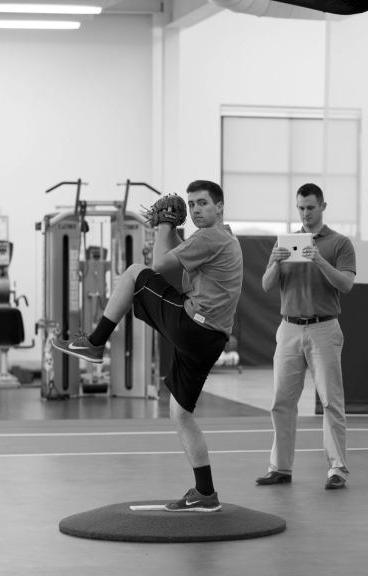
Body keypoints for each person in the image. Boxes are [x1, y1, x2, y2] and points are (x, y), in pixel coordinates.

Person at [52, 180, 242, 512]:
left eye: (203, 203)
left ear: (220, 207)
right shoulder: (217, 239)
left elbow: (157, 266)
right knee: (180, 413)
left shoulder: (210, 237)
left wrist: (165, 223)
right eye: (192, 204)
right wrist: (167, 228)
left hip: (194, 329)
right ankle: (206, 493)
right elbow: (172, 259)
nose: (196, 209)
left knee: (135, 272)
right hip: (210, 339)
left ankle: (95, 343)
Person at [257, 183, 356, 490]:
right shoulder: (286, 242)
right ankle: (281, 468)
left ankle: (337, 469)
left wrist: (318, 259)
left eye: (310, 207)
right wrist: (275, 262)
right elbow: (266, 285)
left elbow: (346, 284)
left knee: (331, 401)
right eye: (300, 207)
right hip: (288, 328)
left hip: (324, 327)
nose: (305, 213)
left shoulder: (340, 243)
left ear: (323, 207)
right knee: (282, 402)